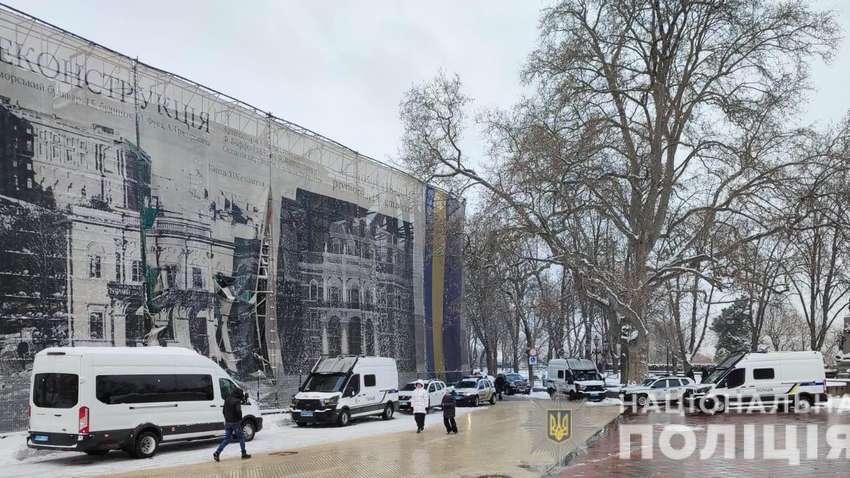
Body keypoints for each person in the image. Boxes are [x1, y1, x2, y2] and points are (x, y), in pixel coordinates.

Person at [213, 388, 251, 462]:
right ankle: (244, 453)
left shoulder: (227, 399)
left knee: (227, 439)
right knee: (241, 437)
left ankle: (217, 452)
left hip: (227, 422)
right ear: (238, 394)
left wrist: (227, 419)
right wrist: (240, 419)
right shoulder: (237, 401)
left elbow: (223, 411)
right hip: (235, 422)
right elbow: (238, 411)